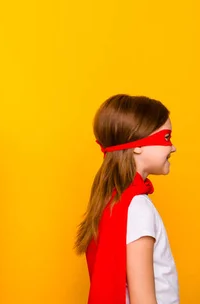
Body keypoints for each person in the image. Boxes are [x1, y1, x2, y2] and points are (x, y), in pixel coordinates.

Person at [76, 94, 179, 304]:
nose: (173, 147)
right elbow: (143, 299)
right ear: (137, 145)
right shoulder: (138, 208)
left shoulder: (117, 200)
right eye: (167, 138)